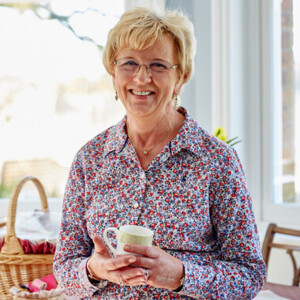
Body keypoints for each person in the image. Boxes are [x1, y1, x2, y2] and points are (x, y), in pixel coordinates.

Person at [53, 6, 266, 299]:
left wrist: (181, 276)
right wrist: (93, 269)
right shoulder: (89, 160)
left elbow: (249, 275)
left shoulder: (217, 160)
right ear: (113, 72)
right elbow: (64, 268)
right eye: (129, 63)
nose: (141, 78)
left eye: (158, 65)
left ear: (182, 76)